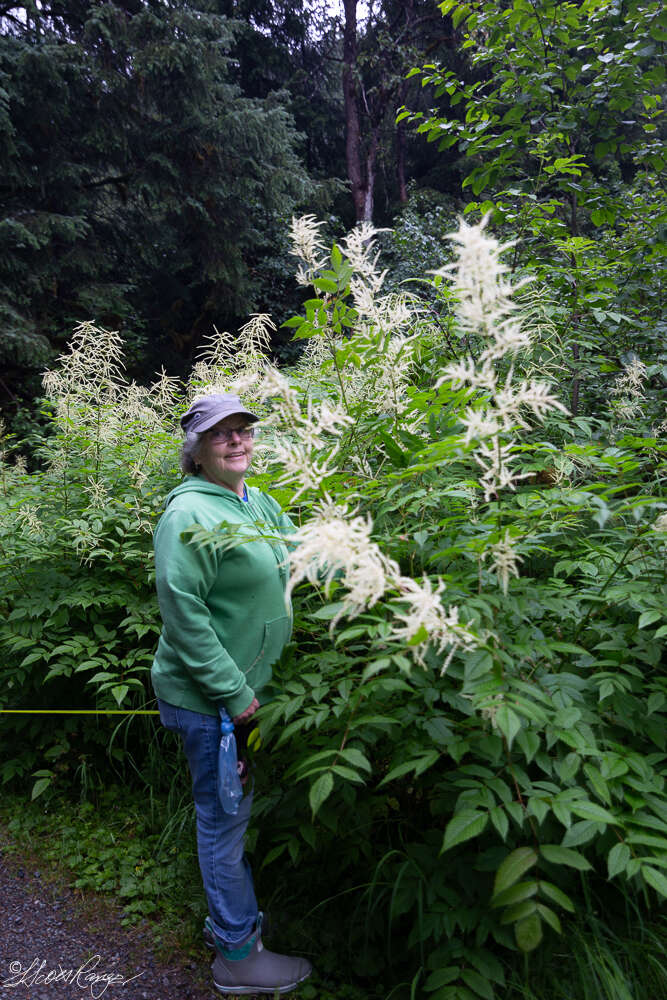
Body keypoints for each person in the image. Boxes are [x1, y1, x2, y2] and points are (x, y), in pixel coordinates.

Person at [151, 393, 312, 996]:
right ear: (197, 450)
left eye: (244, 431)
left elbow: (299, 554)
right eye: (223, 435)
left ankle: (231, 925)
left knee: (232, 810)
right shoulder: (189, 514)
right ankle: (238, 959)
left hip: (248, 696)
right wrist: (234, 693)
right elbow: (183, 613)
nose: (238, 442)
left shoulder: (255, 500)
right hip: (211, 703)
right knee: (224, 821)